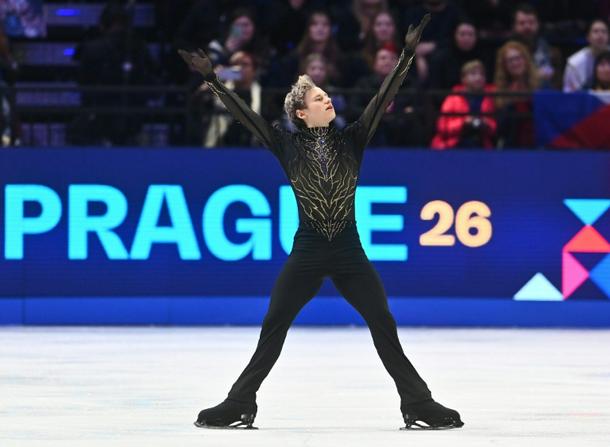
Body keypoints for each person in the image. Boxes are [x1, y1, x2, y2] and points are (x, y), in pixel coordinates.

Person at [178, 14, 464, 431]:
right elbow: (247, 116)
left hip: (349, 252)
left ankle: (418, 402)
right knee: (274, 325)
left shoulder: (353, 138)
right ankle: (239, 402)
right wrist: (213, 80)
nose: (327, 100)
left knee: (383, 323)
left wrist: (406, 55)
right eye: (318, 98)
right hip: (308, 252)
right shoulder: (286, 144)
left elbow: (384, 94)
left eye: (326, 95)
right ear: (300, 112)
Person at [431, 59, 496, 149]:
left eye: (482, 74)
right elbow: (442, 127)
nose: (478, 78)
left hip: (482, 146)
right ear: (463, 79)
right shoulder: (453, 98)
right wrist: (463, 123)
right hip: (454, 146)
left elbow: (495, 127)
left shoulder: (491, 97)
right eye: (473, 74)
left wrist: (486, 124)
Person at [494, 40, 539, 148]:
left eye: (518, 58)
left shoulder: (541, 85)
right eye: (510, 60)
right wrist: (511, 101)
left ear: (526, 60)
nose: (515, 63)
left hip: (539, 148)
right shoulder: (500, 91)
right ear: (504, 66)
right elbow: (500, 128)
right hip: (512, 149)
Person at [563, 19, 610, 92]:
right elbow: (569, 93)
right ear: (588, 37)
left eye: (604, 31)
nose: (600, 35)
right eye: (596, 31)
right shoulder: (574, 63)